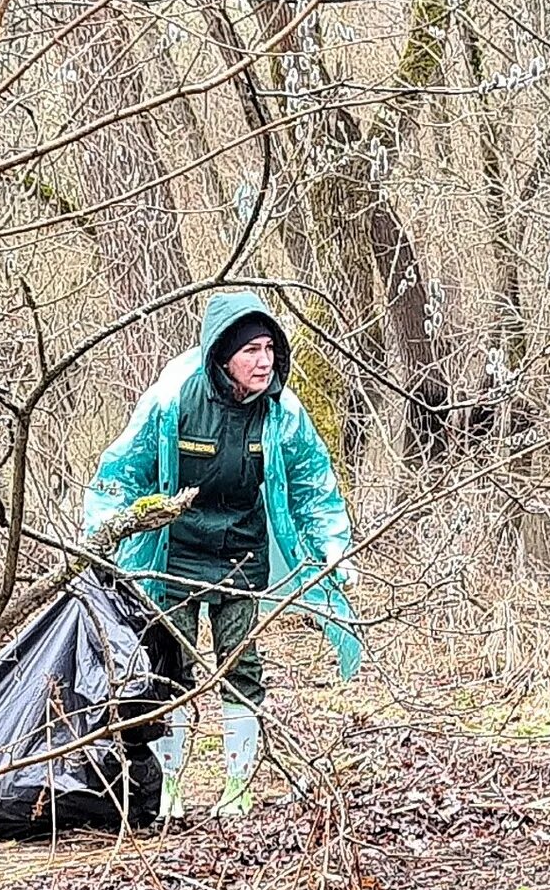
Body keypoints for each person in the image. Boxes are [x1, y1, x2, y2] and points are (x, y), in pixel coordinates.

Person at [86, 292, 360, 819]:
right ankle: (168, 789)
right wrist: (104, 530)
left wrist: (332, 550)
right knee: (169, 672)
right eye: (251, 350)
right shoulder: (174, 400)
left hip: (240, 554)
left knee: (241, 666)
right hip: (173, 556)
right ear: (222, 355)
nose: (264, 362)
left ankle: (238, 786)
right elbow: (122, 470)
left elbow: (313, 487)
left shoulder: (283, 414)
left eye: (269, 349)